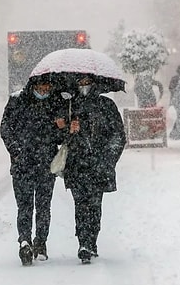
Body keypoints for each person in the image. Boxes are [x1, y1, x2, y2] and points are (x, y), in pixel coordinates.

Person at [0, 76, 65, 266]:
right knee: (25, 207)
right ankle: (25, 241)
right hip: (23, 165)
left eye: (48, 86)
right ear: (33, 85)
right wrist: (16, 151)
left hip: (46, 165)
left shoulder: (56, 102)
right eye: (41, 86)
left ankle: (40, 242)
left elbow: (61, 137)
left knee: (44, 207)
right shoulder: (17, 100)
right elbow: (5, 128)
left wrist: (61, 127)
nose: (44, 90)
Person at [63, 75, 126, 264]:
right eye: (80, 83)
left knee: (94, 206)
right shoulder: (69, 106)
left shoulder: (106, 106)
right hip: (76, 165)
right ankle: (83, 242)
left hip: (99, 166)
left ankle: (91, 241)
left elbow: (118, 135)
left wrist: (107, 159)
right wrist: (68, 129)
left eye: (87, 83)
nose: (84, 87)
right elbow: (57, 134)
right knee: (80, 205)